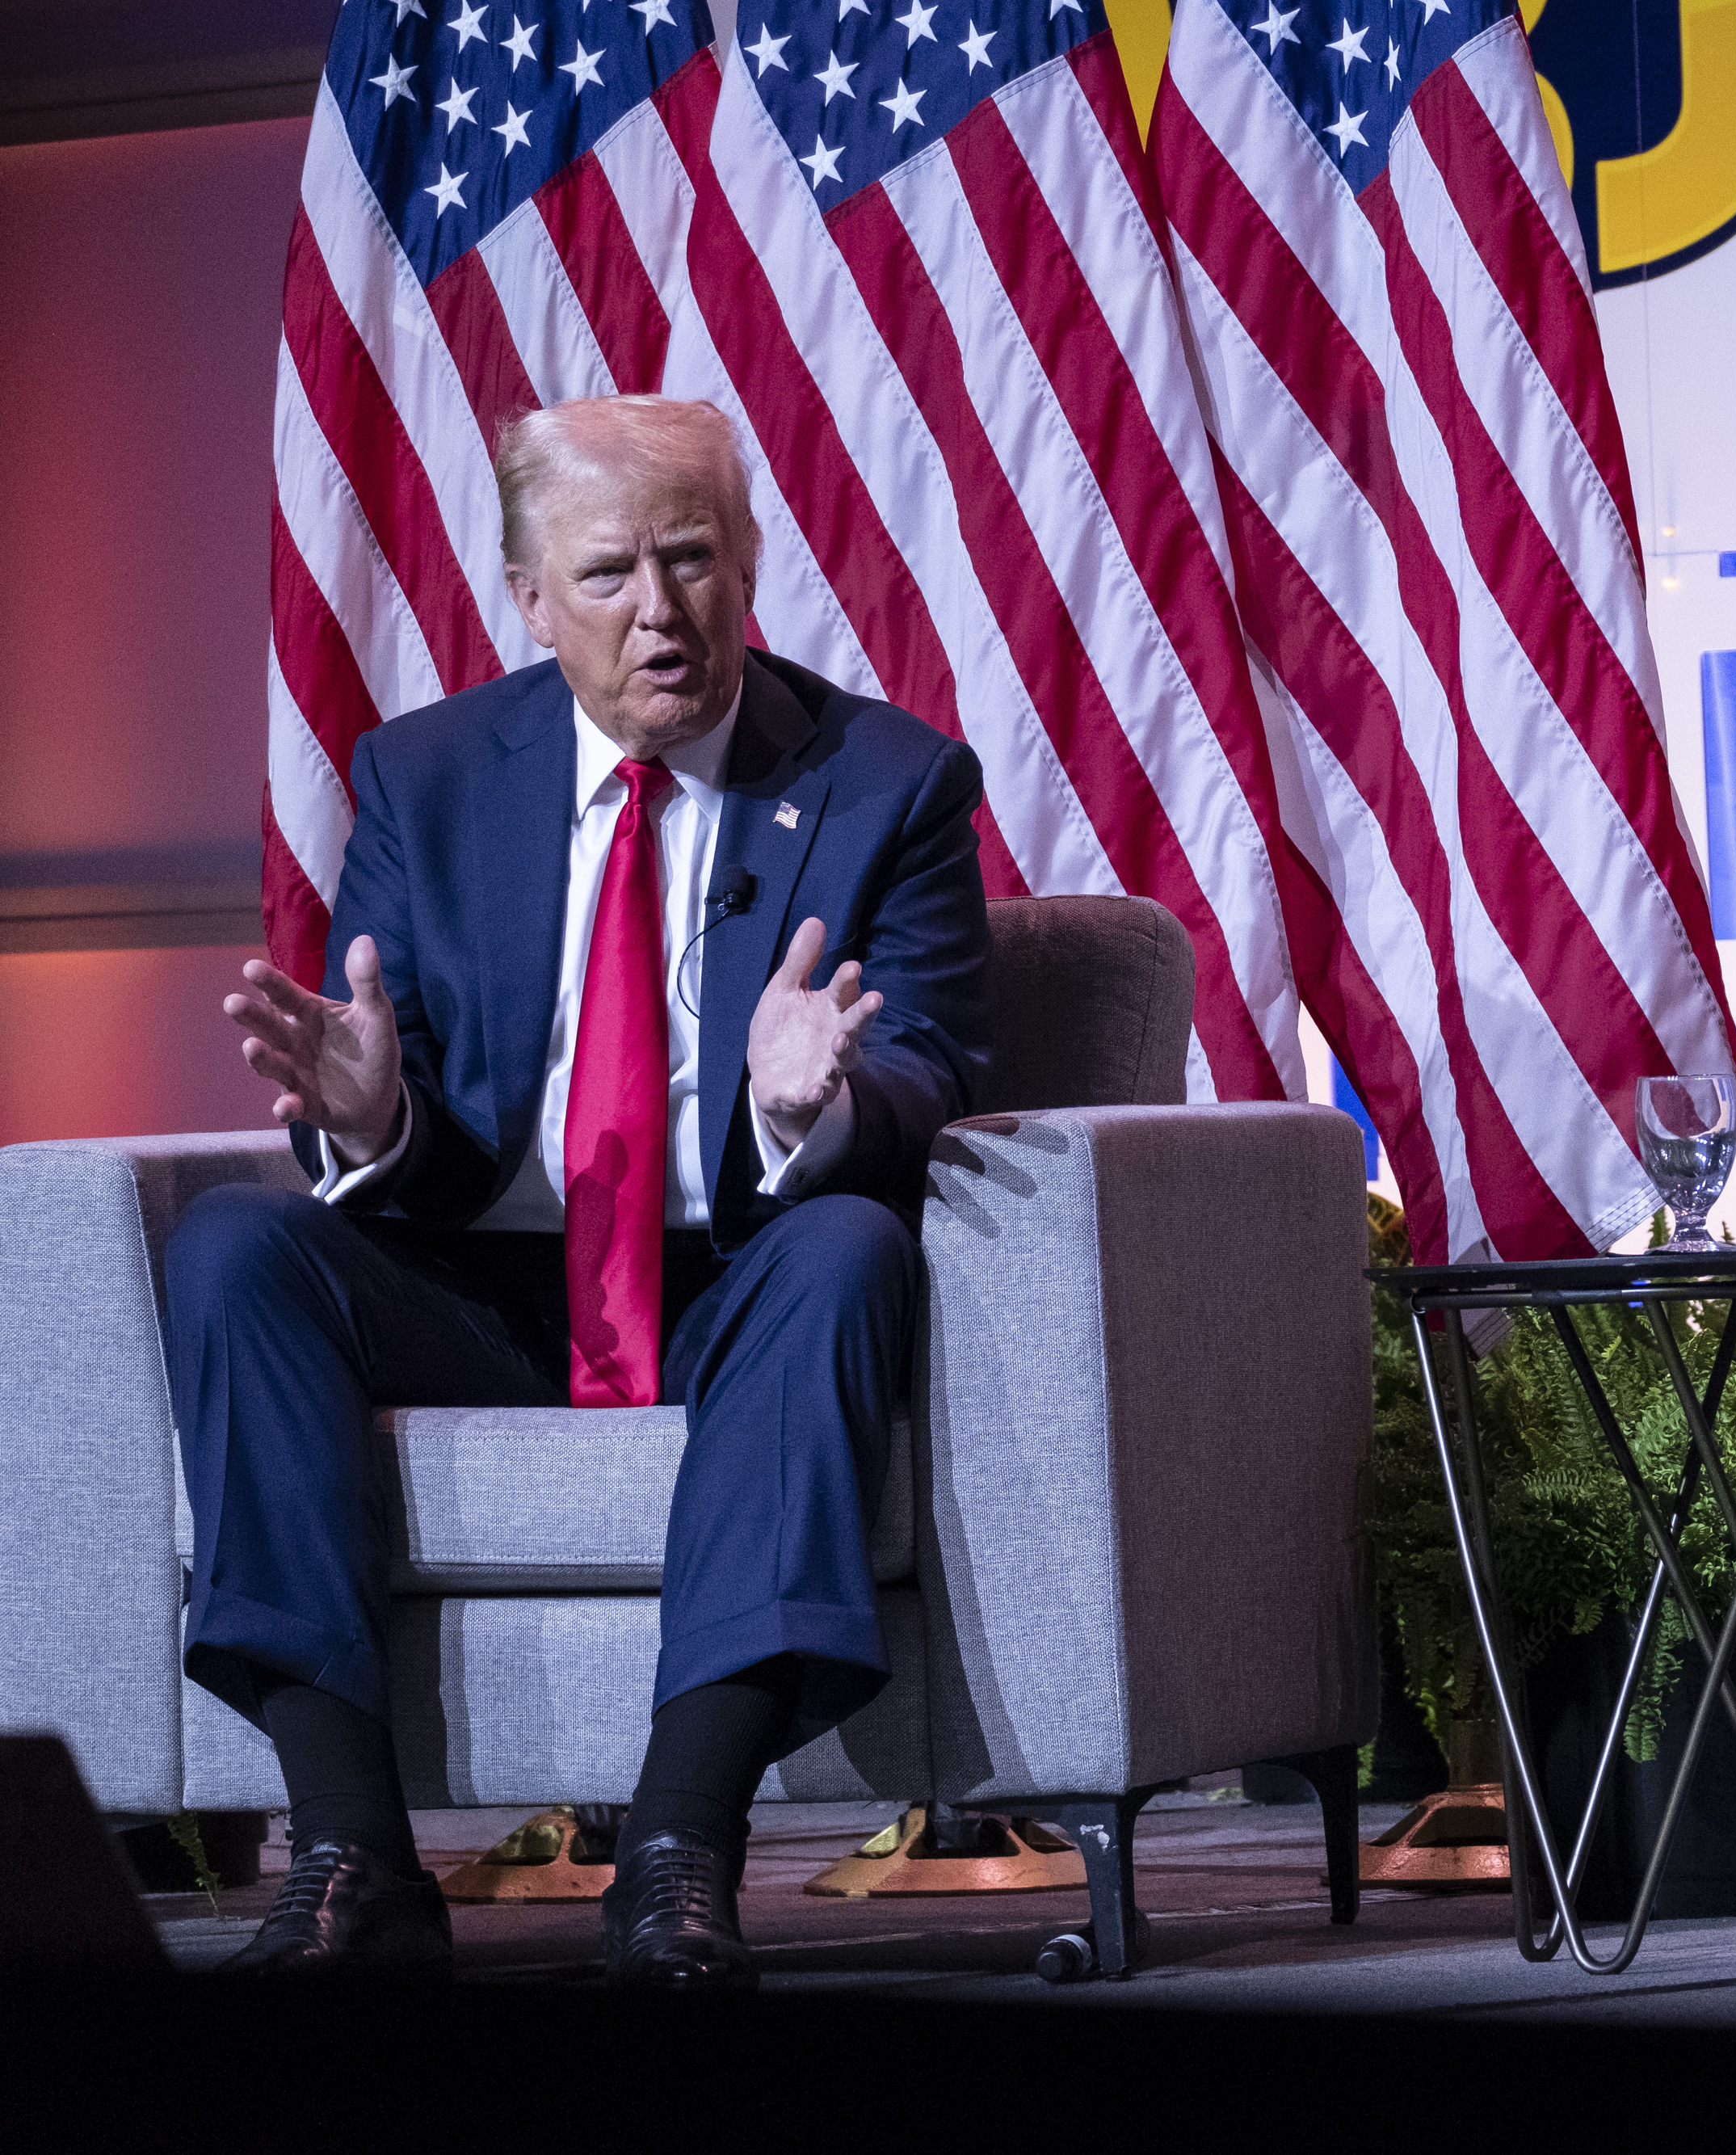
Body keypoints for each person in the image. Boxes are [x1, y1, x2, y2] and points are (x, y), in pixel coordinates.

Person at [178, 394, 990, 1990]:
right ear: (530, 596)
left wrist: (807, 1105)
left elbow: (942, 1064)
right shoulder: (423, 778)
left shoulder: (890, 783)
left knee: (841, 1248)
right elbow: (384, 1054)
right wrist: (372, 1112)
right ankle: (351, 1857)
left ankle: (681, 1852)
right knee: (233, 1247)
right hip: (479, 1280)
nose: (660, 610)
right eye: (610, 571)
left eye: (692, 559)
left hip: (737, 1271)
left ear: (749, 563)